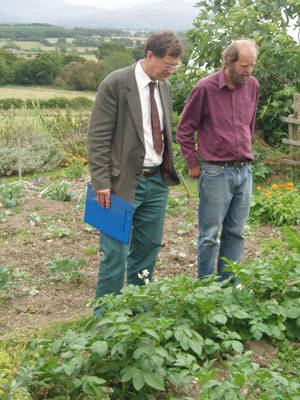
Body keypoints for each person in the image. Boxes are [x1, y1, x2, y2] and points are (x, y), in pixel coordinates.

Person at [87, 30, 183, 310]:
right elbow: (98, 137)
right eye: (167, 65)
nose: (171, 71)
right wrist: (101, 181)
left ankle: (138, 311)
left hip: (156, 183)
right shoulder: (116, 83)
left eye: (175, 66)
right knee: (115, 252)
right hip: (119, 184)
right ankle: (106, 317)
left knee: (148, 249)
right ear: (149, 55)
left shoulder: (164, 86)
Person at [176, 39, 259, 283]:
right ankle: (205, 287)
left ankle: (228, 285)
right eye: (244, 65)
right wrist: (193, 163)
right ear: (229, 62)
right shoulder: (205, 88)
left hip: (244, 171)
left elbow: (250, 124)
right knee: (210, 234)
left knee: (236, 233)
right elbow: (184, 129)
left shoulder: (252, 85)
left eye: (252, 65)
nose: (249, 70)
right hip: (215, 173)